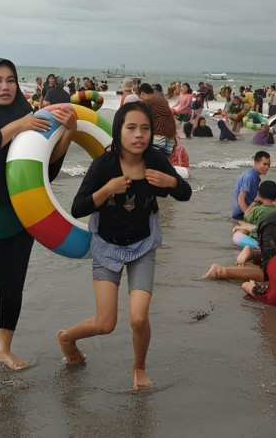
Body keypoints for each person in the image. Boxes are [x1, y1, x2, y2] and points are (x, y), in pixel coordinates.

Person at [57, 101, 191, 390]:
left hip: (143, 244)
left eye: (145, 129)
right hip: (106, 245)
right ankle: (67, 337)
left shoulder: (155, 159)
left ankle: (139, 368)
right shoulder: (103, 165)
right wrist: (107, 190)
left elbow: (185, 194)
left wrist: (171, 182)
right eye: (131, 128)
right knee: (105, 324)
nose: (139, 135)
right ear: (119, 132)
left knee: (138, 317)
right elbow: (78, 207)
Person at [0, 59, 76, 385]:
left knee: (12, 286)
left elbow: (47, 168)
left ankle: (4, 349)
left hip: (20, 214)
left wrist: (68, 133)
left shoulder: (29, 115)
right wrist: (17, 126)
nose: (5, 86)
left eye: (10, 80)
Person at [230, 151, 271, 220]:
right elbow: (240, 200)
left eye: (269, 164)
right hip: (240, 214)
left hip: (248, 210)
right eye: (264, 164)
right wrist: (249, 217)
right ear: (255, 163)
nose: (267, 167)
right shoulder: (249, 176)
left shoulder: (254, 175)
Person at [139, 83, 178, 156]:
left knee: (152, 160)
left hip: (158, 135)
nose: (140, 99)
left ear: (143, 93)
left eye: (140, 96)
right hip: (171, 136)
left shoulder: (147, 102)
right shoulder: (162, 99)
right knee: (163, 161)